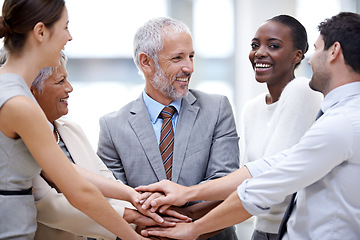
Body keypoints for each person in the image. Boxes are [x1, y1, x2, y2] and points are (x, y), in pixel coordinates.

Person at [136, 12, 360, 240]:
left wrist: (192, 225)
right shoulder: (336, 117)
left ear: (334, 51)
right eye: (255, 44)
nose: (310, 60)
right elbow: (268, 166)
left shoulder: (339, 121)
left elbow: (266, 184)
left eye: (316, 48)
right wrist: (187, 199)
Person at [0, 0, 158, 239]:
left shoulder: (10, 93)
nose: (69, 37)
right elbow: (79, 192)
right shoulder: (20, 104)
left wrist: (130, 195)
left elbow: (65, 172)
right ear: (40, 32)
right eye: (65, 27)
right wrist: (133, 237)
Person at [97, 17, 239, 240]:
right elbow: (114, 199)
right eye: (177, 58)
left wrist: (179, 224)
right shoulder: (112, 126)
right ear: (146, 62)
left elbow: (226, 183)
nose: (189, 67)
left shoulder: (217, 109)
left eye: (191, 56)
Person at [30, 52, 167, 240]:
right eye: (60, 81)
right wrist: (132, 217)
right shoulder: (18, 139)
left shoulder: (71, 129)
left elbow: (104, 180)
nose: (69, 88)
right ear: (31, 89)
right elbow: (49, 206)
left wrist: (138, 204)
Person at [240, 15, 322, 240]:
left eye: (273, 46)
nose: (259, 52)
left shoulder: (303, 91)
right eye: (255, 45)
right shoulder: (252, 108)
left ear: (297, 56)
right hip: (261, 230)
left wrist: (192, 216)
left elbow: (269, 179)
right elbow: (246, 179)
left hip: (293, 231)